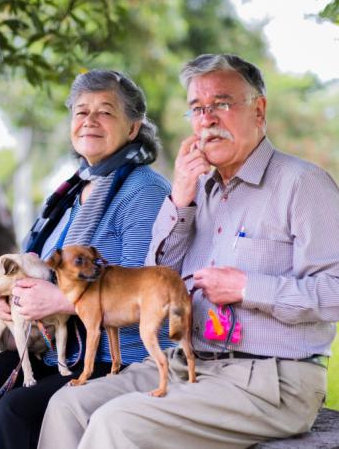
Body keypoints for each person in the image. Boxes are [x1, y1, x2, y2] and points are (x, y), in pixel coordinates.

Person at [38, 53, 339, 449]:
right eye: (197, 108)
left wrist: (250, 288)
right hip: (189, 363)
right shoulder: (196, 191)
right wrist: (180, 200)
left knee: (118, 422)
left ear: (259, 110)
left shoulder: (303, 185)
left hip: (271, 379)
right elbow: (153, 280)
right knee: (68, 406)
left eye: (222, 104)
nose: (208, 118)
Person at [0, 69, 174, 449]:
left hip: (115, 357)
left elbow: (142, 286)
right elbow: (36, 263)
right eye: (80, 111)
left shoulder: (144, 191)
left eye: (105, 111)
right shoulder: (73, 190)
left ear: (133, 127)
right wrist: (14, 298)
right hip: (62, 345)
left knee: (19, 408)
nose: (89, 120)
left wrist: (58, 300)